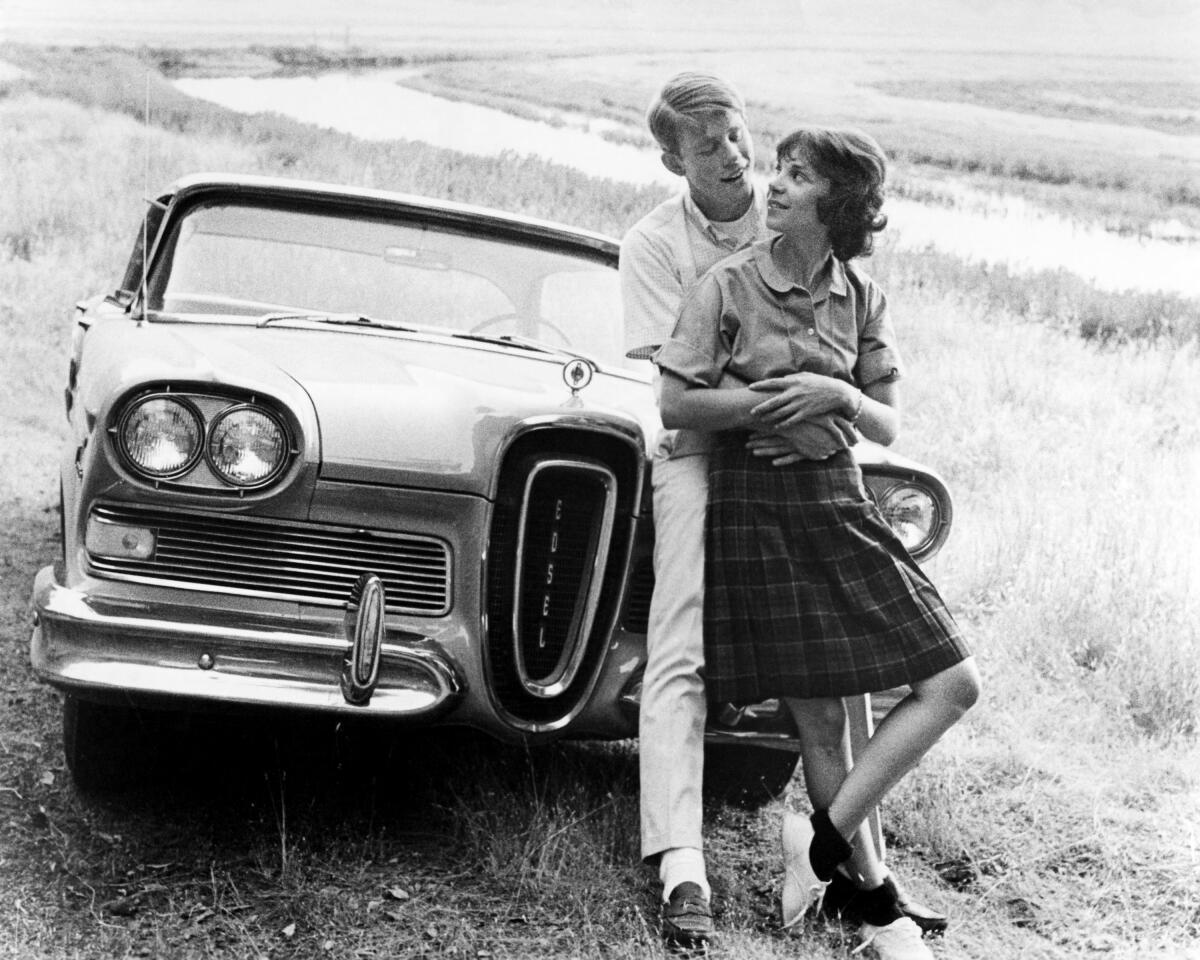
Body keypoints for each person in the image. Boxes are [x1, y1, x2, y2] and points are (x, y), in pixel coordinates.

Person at [622, 75, 944, 952]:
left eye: (738, 137)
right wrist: (796, 409)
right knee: (681, 646)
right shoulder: (662, 247)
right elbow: (679, 394)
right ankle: (684, 857)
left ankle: (844, 859)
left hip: (816, 479)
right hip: (709, 463)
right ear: (672, 160)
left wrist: (829, 406)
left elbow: (877, 407)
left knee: (852, 693)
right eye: (708, 147)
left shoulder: (833, 266)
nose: (735, 159)